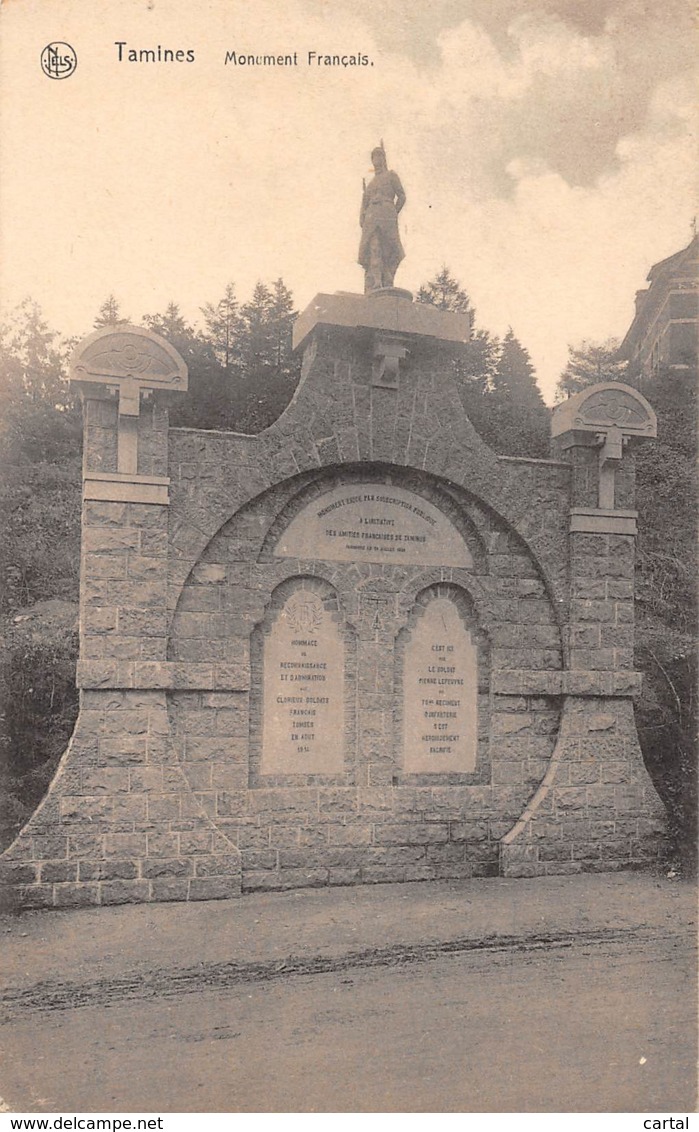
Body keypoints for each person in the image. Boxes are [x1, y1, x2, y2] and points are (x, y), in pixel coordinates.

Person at [358, 145, 406, 293]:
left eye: (378, 156)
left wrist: (393, 212)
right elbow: (363, 206)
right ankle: (377, 282)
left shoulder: (391, 175)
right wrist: (363, 218)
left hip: (387, 215)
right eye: (373, 157)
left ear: (384, 158)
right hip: (372, 218)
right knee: (374, 247)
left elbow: (402, 196)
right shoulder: (370, 184)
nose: (376, 160)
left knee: (393, 249)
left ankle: (388, 277)